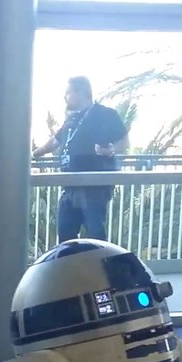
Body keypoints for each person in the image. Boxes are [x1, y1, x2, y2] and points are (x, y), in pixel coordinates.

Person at [33, 76, 128, 242]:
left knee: (95, 234)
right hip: (70, 185)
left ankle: (98, 267)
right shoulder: (73, 118)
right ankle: (70, 267)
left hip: (94, 186)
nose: (65, 97)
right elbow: (56, 141)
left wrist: (111, 150)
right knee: (65, 233)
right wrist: (33, 155)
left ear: (81, 93)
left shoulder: (105, 114)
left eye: (68, 93)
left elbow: (125, 143)